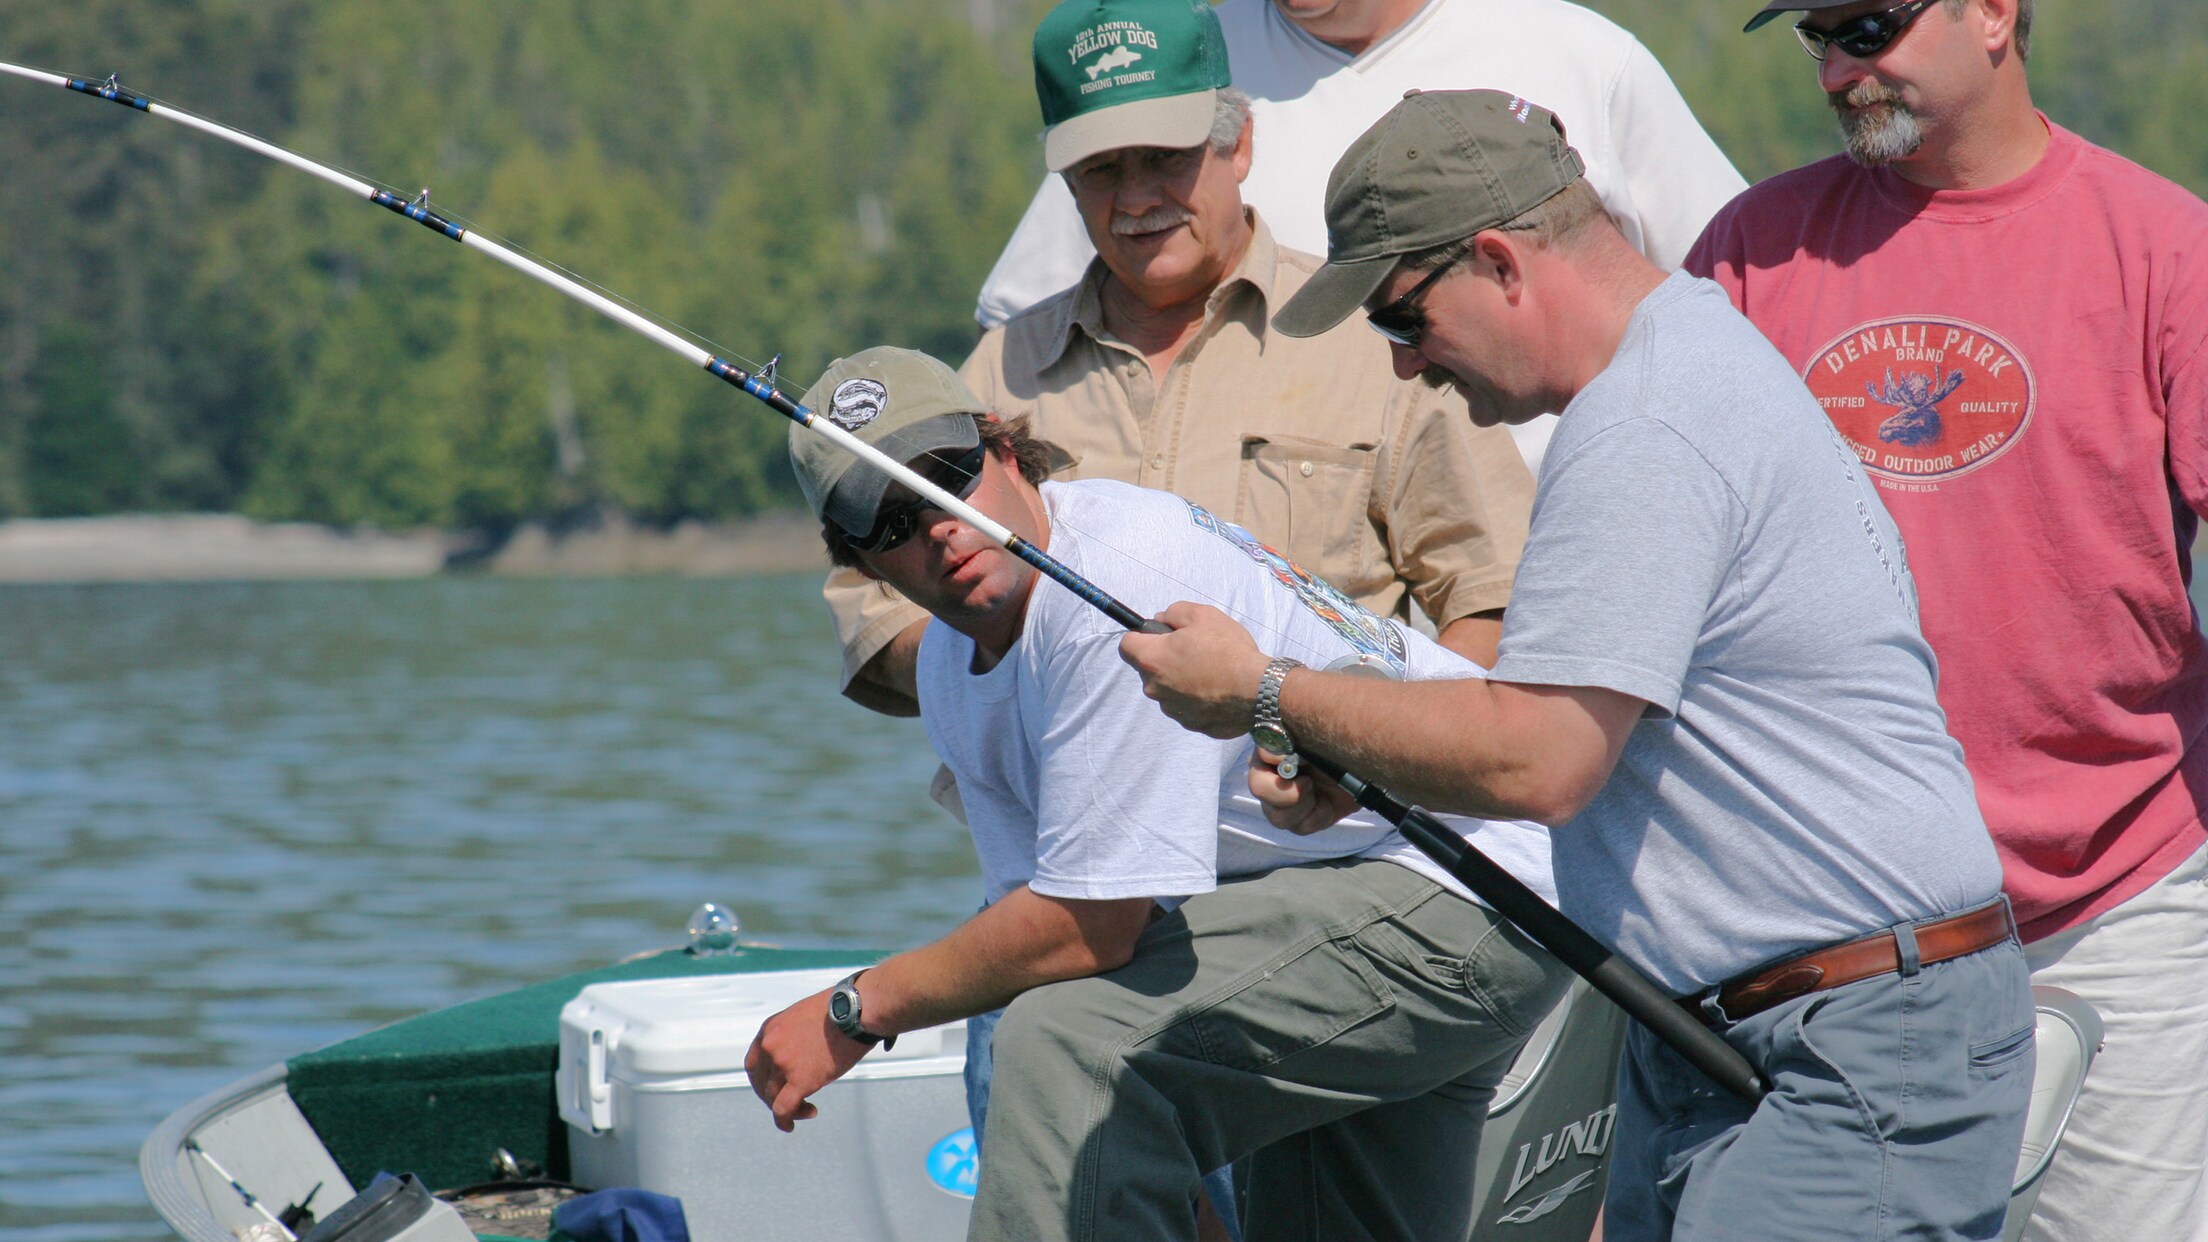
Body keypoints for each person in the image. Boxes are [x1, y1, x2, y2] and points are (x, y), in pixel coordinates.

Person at [1119, 89, 2036, 1240]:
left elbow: (1542, 759)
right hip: (1753, 1028)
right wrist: (1369, 750)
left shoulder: (1645, 425)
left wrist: (1265, 689)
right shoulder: (1689, 353)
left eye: (1404, 321)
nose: (1406, 371)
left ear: (1500, 261)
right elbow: (1572, 728)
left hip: (1850, 1034)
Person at [745, 345, 1572, 1242]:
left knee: (1065, 1045)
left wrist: (855, 1009)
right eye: (889, 520)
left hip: (1476, 883)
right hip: (1355, 892)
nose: (941, 527)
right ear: (861, 563)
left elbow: (1091, 927)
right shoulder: (950, 665)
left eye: (950, 477)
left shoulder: (1118, 578)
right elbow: (1047, 937)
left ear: (1008, 453)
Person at [1682, 2, 2208, 1237]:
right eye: (1818, 35)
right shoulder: (1754, 249)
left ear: (1993, 15)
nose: (1842, 67)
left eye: (1869, 24)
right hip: (1838, 931)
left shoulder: (2165, 247)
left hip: (2109, 896)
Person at [826, 0, 1534, 719]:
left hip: (1331, 819)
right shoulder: (990, 377)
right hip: (1063, 813)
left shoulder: (1379, 346)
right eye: (1101, 170)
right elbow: (874, 623)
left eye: (1166, 158)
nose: (1137, 198)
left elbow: (1495, 603)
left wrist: (1367, 743)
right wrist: (1027, 667)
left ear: (1242, 144)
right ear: (1065, 182)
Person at [975, 0, 1747, 470]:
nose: (1136, 187)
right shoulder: (1172, 69)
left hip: (1577, 558)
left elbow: (1735, 304)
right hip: (1297, 612)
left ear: (1238, 142)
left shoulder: (1584, 56)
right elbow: (1029, 336)